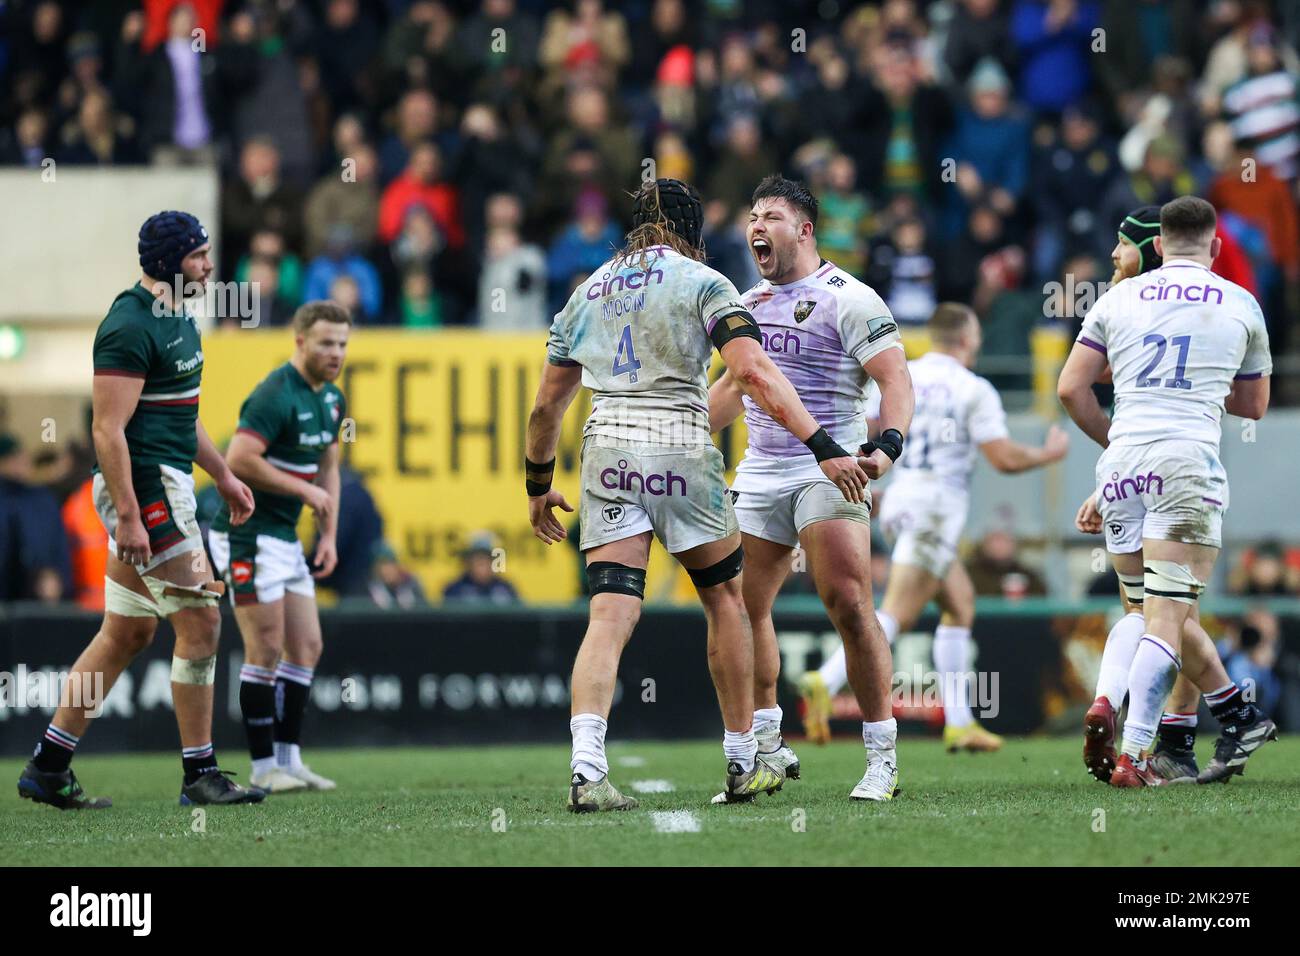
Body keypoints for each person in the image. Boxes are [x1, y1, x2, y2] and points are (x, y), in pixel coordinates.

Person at [525, 178, 869, 811]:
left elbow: (548, 403)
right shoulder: (705, 283)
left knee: (608, 617)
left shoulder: (586, 292)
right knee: (726, 602)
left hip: (609, 454)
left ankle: (586, 768)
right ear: (690, 228)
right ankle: (741, 760)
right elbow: (753, 373)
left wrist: (539, 486)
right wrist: (823, 445)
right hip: (681, 451)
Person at [17, 211, 261, 809]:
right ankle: (199, 775)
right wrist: (129, 514)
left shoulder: (180, 316)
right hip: (146, 489)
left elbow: (182, 414)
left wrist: (225, 474)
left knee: (127, 631)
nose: (209, 265)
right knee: (202, 621)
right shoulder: (127, 324)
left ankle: (48, 766)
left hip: (161, 481)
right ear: (168, 262)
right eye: (199, 256)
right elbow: (107, 430)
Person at [1058, 196, 1277, 787]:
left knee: (1142, 608)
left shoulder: (1116, 299)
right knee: (1166, 615)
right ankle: (1135, 753)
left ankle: (1169, 711)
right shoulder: (1240, 302)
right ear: (1216, 247)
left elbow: (1070, 389)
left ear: (1156, 245)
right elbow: (1254, 405)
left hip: (1123, 468)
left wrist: (1116, 447)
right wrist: (1206, 382)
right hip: (1187, 464)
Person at [708, 175, 914, 801]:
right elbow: (732, 390)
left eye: (770, 215)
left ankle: (882, 756)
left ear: (804, 229)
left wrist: (888, 445)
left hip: (832, 464)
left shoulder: (849, 297)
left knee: (848, 602)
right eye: (751, 215)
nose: (756, 226)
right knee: (741, 609)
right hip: (762, 469)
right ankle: (766, 747)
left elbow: (896, 380)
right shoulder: (747, 303)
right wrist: (678, 435)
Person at [802, 302, 1067, 755]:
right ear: (966, 338)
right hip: (936, 509)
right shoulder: (973, 388)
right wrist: (1048, 455)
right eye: (977, 334)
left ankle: (960, 724)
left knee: (960, 603)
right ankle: (823, 681)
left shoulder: (903, 376)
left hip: (900, 500)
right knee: (897, 613)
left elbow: (865, 427)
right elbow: (1002, 457)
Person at [208, 301, 350, 794]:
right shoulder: (274, 393)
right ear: (300, 342)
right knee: (265, 646)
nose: (336, 353)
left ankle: (290, 761)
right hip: (245, 531)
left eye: (342, 344)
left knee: (307, 644)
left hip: (285, 535)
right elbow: (239, 459)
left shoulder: (331, 399)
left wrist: (328, 532)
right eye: (326, 343)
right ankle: (263, 766)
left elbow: (329, 465)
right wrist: (302, 489)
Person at [441, 533, 519, 604]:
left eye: (487, 559)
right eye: (478, 559)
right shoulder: (454, 590)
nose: (483, 564)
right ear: (468, 562)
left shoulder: (505, 588)